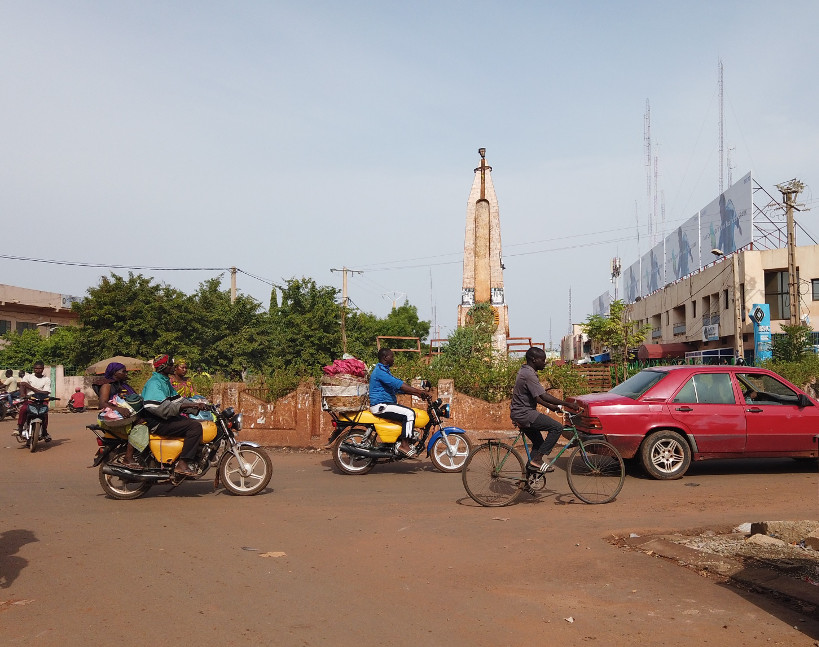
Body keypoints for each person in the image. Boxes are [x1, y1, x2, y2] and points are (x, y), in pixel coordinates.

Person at [510, 347, 582, 473]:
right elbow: (543, 396)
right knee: (557, 428)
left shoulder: (525, 371)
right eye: (543, 360)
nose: (545, 363)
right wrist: (567, 404)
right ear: (534, 360)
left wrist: (552, 407)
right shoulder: (529, 375)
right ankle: (537, 460)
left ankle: (527, 480)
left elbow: (537, 397)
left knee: (538, 443)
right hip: (525, 414)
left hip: (521, 413)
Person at [141, 354, 210, 478]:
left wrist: (199, 405)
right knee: (194, 427)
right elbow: (162, 408)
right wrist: (190, 407)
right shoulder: (154, 383)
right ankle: (182, 463)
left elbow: (179, 400)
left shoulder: (164, 381)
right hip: (157, 422)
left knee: (197, 423)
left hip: (165, 419)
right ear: (163, 367)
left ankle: (188, 457)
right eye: (170, 365)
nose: (173, 367)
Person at [369, 347, 430, 457]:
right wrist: (418, 391)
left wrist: (417, 394)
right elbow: (398, 384)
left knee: (406, 414)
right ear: (385, 357)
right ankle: (404, 445)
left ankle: (400, 442)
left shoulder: (384, 370)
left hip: (385, 404)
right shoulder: (380, 372)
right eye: (392, 357)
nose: (393, 359)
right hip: (381, 405)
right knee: (409, 413)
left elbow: (397, 389)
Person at [15, 361, 52, 444]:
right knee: (23, 409)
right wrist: (22, 394)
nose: (37, 370)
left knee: (45, 413)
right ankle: (20, 428)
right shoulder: (28, 377)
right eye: (36, 368)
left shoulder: (46, 379)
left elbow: (46, 392)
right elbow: (22, 385)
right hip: (30, 399)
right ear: (33, 369)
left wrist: (30, 387)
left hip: (42, 400)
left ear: (43, 369)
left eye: (39, 368)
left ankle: (45, 431)